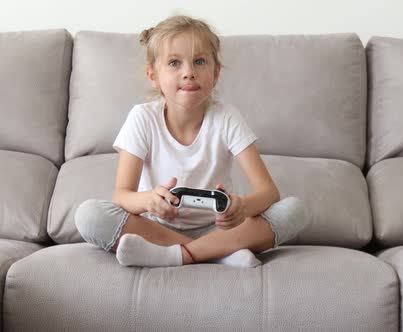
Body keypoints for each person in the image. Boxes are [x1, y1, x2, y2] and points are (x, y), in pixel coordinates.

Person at [74, 15, 308, 268]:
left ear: (215, 73)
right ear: (153, 75)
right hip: (157, 229)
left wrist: (242, 207)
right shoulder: (142, 118)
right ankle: (218, 254)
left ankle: (179, 255)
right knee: (90, 215)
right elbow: (121, 195)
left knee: (295, 210)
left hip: (218, 229)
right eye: (174, 63)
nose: (189, 73)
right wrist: (148, 201)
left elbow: (268, 192)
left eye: (199, 61)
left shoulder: (226, 117)